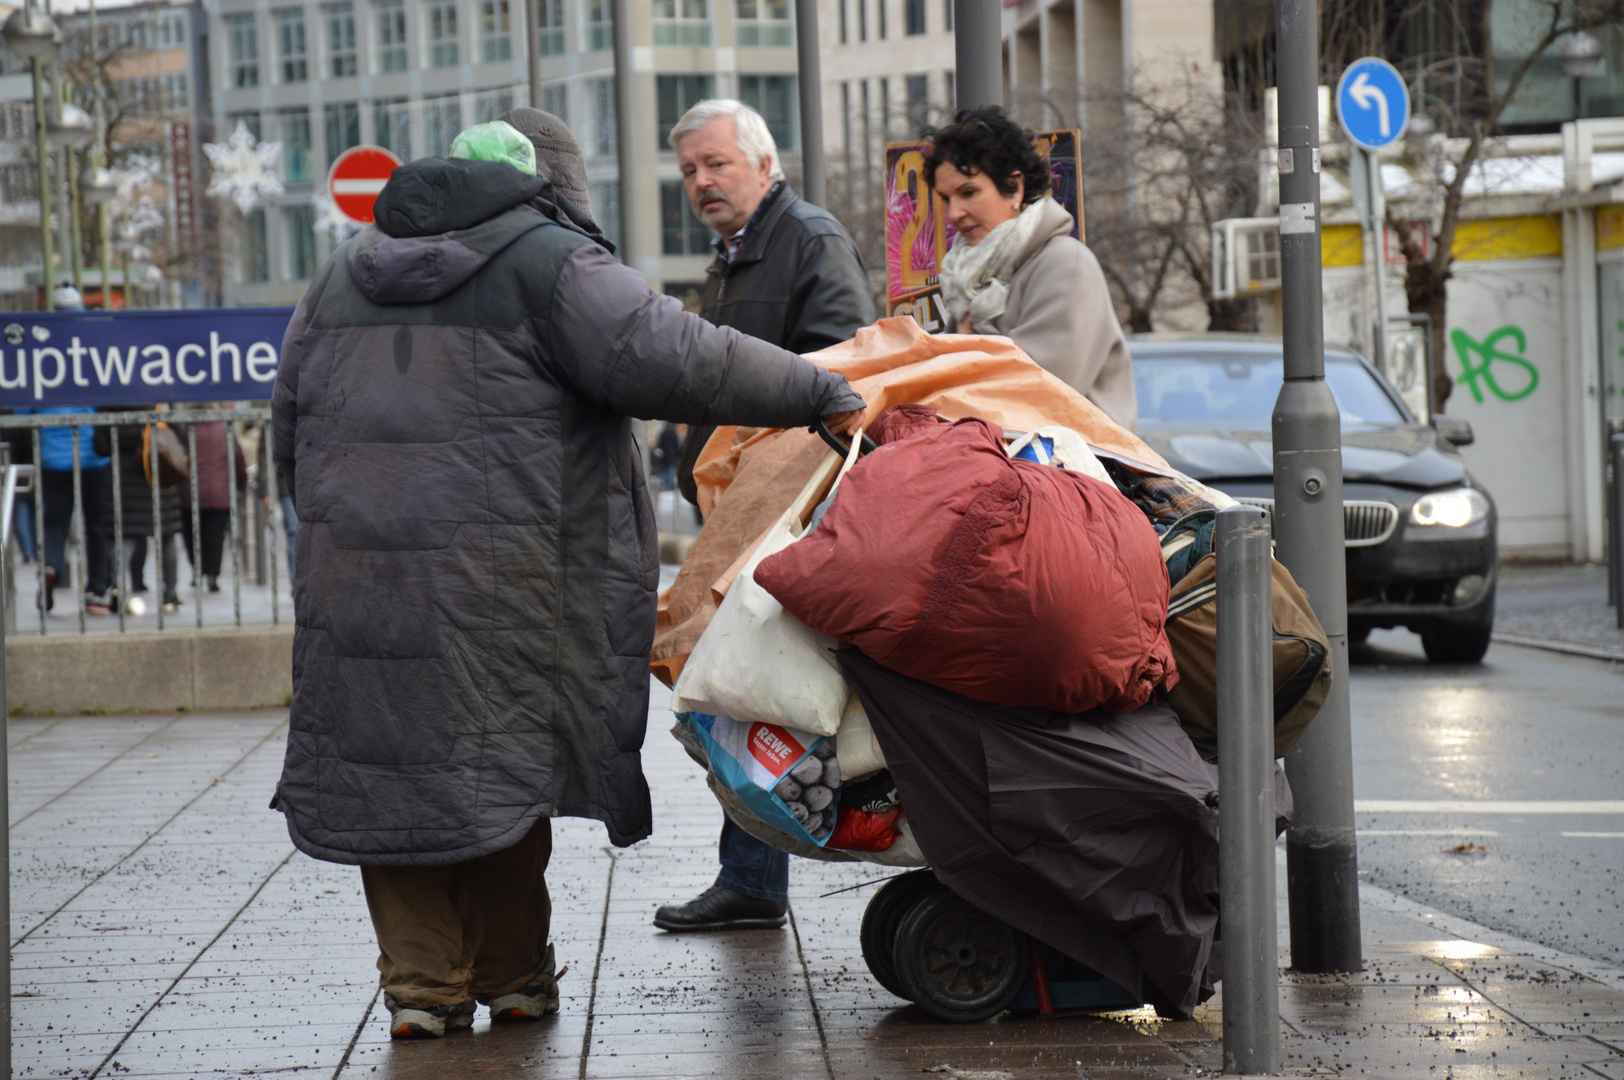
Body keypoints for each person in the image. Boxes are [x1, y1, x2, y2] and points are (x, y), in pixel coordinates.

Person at [270, 109, 865, 1041]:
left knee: (390, 768)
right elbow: (683, 359)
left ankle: (421, 990)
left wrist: (336, 540)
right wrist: (822, 389)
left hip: (359, 579)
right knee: (503, 770)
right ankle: (513, 979)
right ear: (552, 186)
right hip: (503, 581)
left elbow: (289, 429)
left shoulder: (343, 271)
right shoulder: (548, 261)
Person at [656, 99, 877, 935]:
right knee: (743, 689)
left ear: (763, 162)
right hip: (746, 505)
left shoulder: (806, 240)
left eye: (715, 165)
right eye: (688, 172)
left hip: (783, 507)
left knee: (752, 688)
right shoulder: (741, 252)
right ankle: (750, 873)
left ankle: (754, 873)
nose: (702, 183)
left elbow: (840, 364)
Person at [921, 106, 1137, 429]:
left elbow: (1037, 390)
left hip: (1077, 466)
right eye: (946, 198)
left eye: (968, 192)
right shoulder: (967, 275)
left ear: (1015, 187)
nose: (954, 213)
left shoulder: (1064, 264)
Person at [18, 406, 113, 614]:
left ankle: (50, 567)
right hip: (90, 457)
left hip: (52, 457)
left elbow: (21, 414)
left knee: (55, 522)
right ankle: (96, 591)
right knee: (95, 525)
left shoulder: (36, 375)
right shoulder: (88, 374)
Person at [93, 410, 185, 613]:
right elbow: (181, 437)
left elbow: (100, 446)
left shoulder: (112, 401)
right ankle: (170, 595)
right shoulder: (159, 400)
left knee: (124, 538)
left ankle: (117, 590)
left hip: (124, 480)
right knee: (167, 537)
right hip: (158, 476)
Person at [178, 419, 247, 592]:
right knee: (216, 537)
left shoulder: (185, 427)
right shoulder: (224, 429)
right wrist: (241, 484)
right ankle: (213, 576)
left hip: (190, 491)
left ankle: (197, 571)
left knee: (193, 534)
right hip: (219, 491)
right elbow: (238, 458)